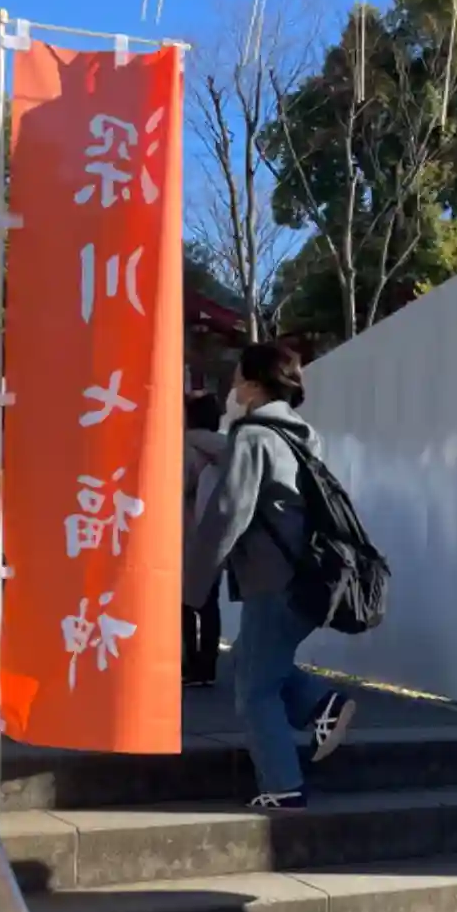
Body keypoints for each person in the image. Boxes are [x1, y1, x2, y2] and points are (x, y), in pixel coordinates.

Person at [185, 343, 356, 810]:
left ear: (255, 385)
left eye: (237, 378)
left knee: (255, 691)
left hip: (270, 579)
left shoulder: (253, 437)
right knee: (252, 659)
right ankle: (321, 705)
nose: (232, 388)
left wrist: (191, 584)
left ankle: (283, 786)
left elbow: (228, 512)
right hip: (306, 577)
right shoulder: (303, 436)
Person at [182, 391, 226, 688]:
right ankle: (208, 666)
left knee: (184, 602)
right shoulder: (227, 448)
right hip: (216, 532)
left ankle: (188, 664)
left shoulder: (186, 447)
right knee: (210, 602)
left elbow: (178, 486)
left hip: (186, 533)